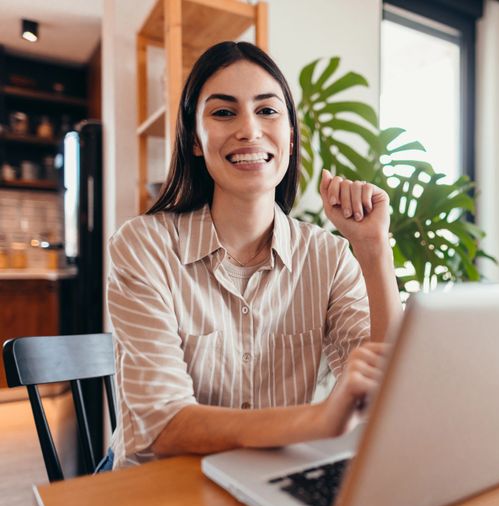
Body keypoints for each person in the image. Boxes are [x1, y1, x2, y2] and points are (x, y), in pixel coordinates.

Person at [101, 41, 401, 470]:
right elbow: (162, 426)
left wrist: (373, 252)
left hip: (268, 477)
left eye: (267, 110)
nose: (249, 130)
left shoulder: (329, 257)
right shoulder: (144, 245)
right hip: (161, 487)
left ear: (291, 138)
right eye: (224, 112)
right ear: (196, 141)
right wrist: (317, 419)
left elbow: (385, 390)